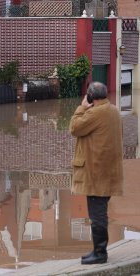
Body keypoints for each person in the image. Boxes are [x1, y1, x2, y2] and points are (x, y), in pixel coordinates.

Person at [69, 82, 123, 265]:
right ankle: (97, 250)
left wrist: (81, 107)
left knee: (97, 215)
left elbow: (74, 128)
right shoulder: (114, 110)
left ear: (91, 97)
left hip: (96, 172)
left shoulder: (94, 113)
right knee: (99, 212)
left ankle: (100, 254)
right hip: (108, 170)